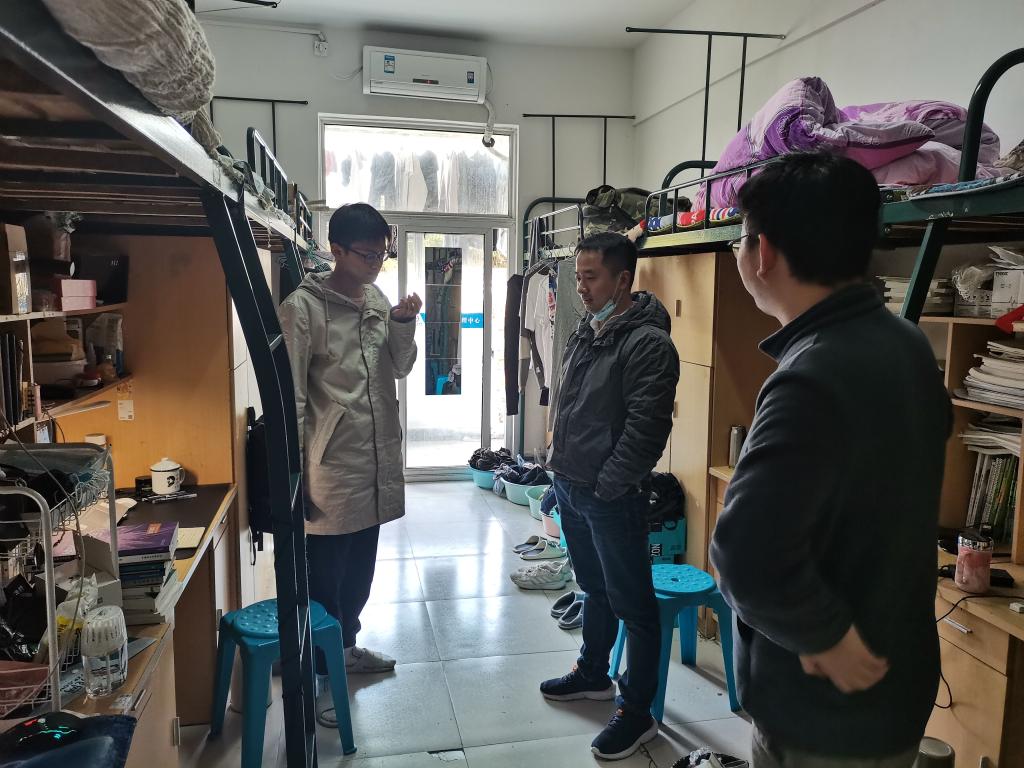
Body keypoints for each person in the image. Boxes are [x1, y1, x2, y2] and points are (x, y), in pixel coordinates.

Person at [709, 153, 951, 767]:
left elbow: (745, 554)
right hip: (897, 689)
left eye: (739, 238)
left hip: (825, 713)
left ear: (763, 252)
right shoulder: (907, 344)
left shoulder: (811, 376)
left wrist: (824, 635)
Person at [279, 203, 421, 725]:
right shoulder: (302, 309)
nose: (376, 264)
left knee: (361, 571)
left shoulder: (377, 299)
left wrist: (403, 323)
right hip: (332, 467)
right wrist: (294, 472)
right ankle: (322, 677)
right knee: (326, 579)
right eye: (367, 255)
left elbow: (400, 367)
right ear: (335, 250)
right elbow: (292, 397)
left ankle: (346, 650)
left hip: (375, 457)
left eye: (383, 254)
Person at [540, 231, 680, 761]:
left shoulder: (648, 344)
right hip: (571, 484)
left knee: (634, 606)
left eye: (591, 277)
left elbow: (647, 430)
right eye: (578, 276)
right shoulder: (588, 329)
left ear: (623, 280)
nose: (581, 287)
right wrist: (559, 467)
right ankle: (593, 673)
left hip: (610, 496)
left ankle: (637, 712)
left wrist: (607, 484)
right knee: (593, 588)